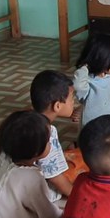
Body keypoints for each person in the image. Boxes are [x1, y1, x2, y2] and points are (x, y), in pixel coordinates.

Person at [30, 70, 75, 198]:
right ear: (57, 106)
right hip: (37, 196)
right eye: (71, 98)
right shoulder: (47, 132)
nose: (73, 102)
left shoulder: (23, 122)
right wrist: (76, 195)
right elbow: (55, 177)